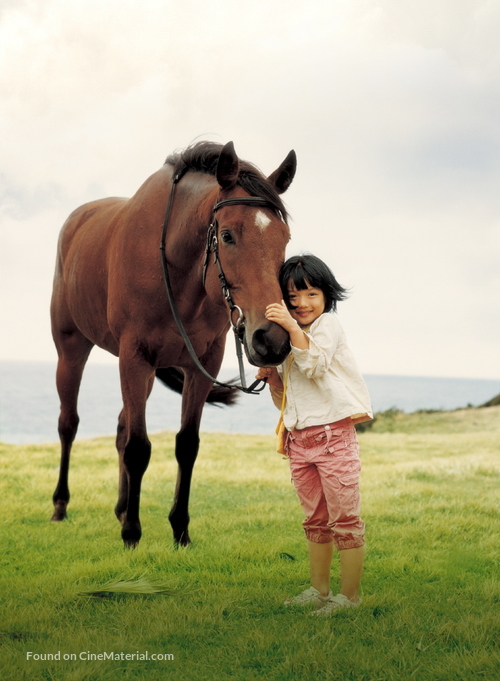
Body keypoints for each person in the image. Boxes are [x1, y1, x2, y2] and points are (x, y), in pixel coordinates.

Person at [256, 254, 373, 616]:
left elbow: (316, 365)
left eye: (311, 294)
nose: (302, 304)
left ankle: (349, 598)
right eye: (293, 298)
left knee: (345, 521)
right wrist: (274, 378)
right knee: (315, 521)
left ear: (326, 295)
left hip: (333, 438)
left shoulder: (328, 326)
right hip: (300, 442)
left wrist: (291, 328)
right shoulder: (291, 338)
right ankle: (319, 590)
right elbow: (288, 403)